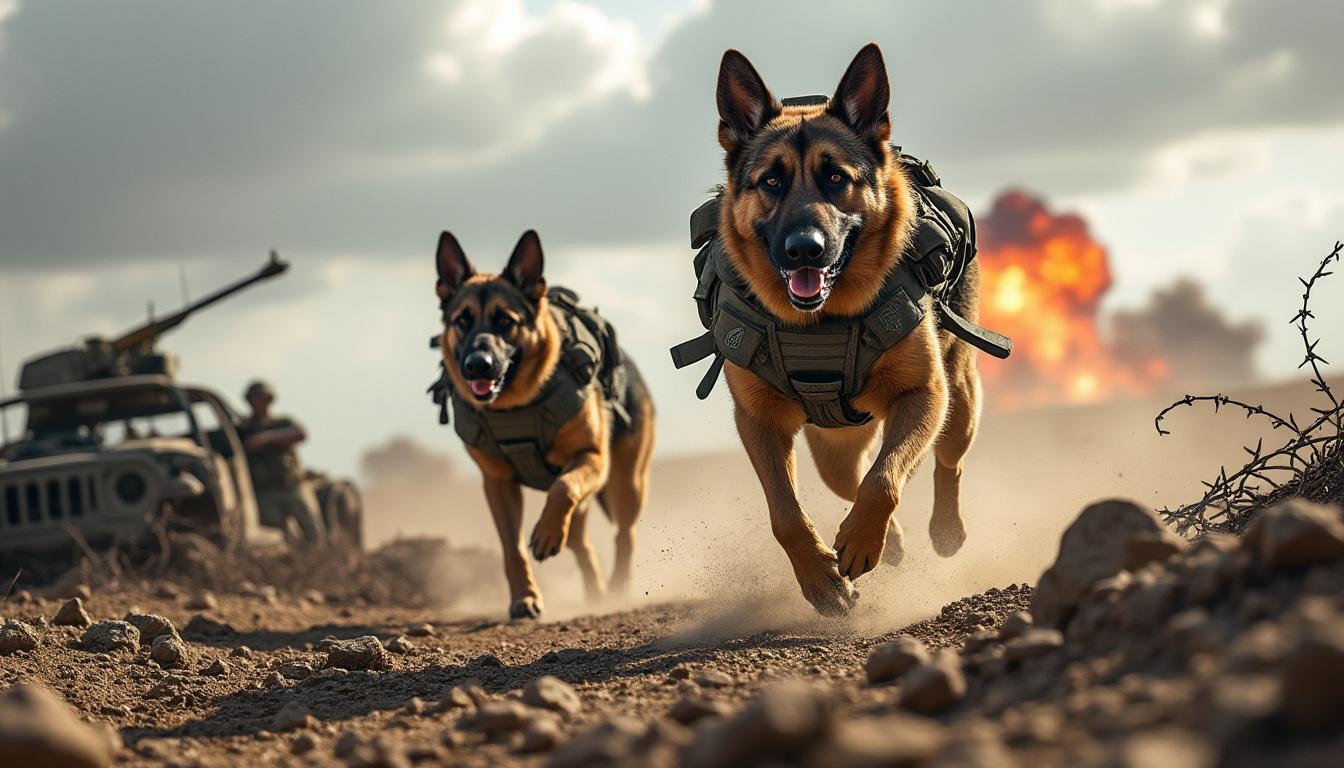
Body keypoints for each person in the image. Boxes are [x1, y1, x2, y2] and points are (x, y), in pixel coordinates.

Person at [235, 380, 323, 543]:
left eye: (263, 399)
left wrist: (265, 439)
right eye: (255, 399)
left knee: (312, 530)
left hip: (291, 485)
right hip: (265, 491)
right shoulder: (243, 428)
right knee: (277, 536)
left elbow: (300, 434)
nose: (259, 403)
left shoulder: (282, 423)